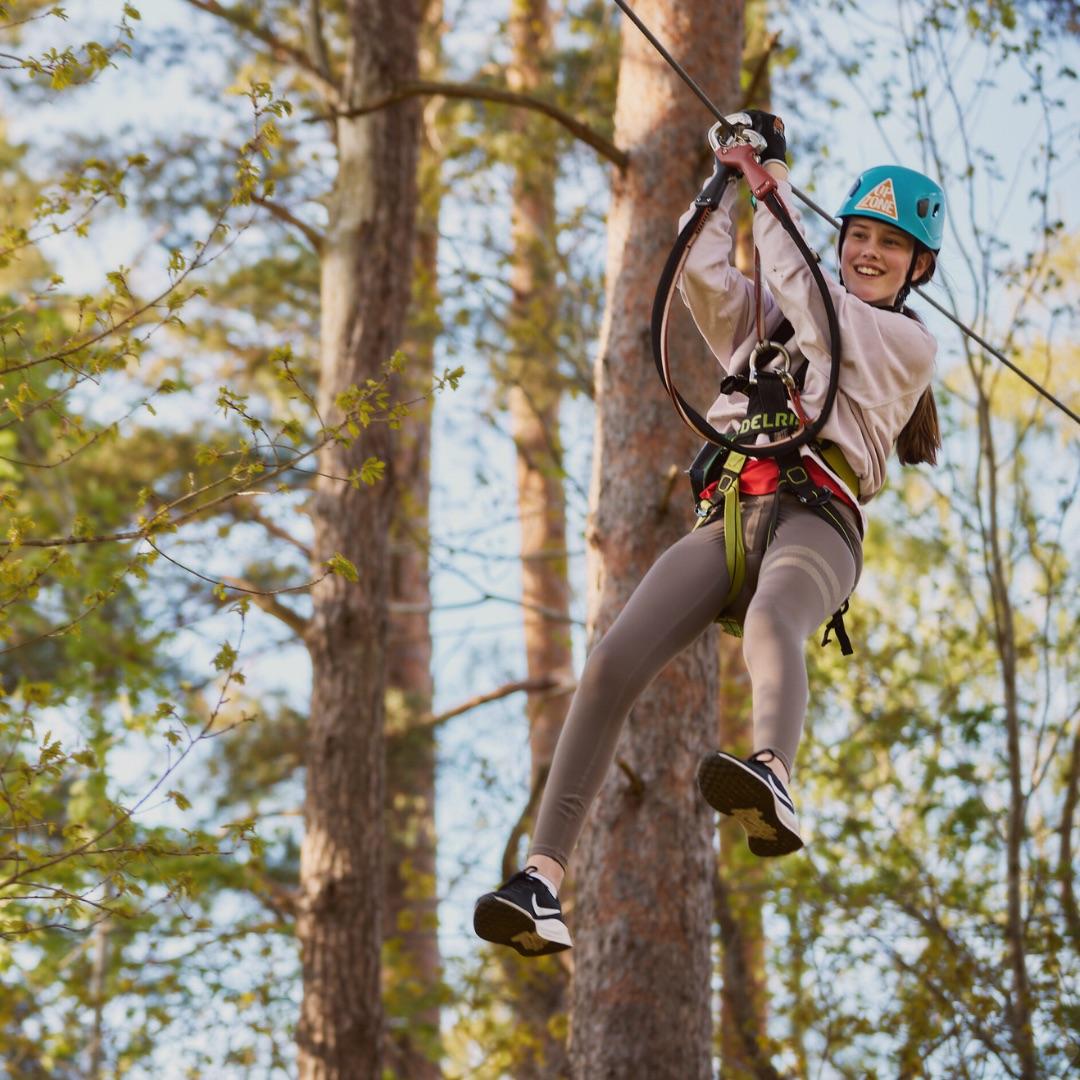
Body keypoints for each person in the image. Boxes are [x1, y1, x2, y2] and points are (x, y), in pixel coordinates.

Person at [473, 111, 946, 957]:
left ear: (919, 268)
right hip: (729, 510)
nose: (867, 253)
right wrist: (724, 185)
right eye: (860, 236)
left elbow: (814, 303)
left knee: (773, 621)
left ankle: (774, 774)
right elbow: (700, 279)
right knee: (613, 662)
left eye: (890, 246)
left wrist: (771, 186)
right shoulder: (775, 309)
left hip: (816, 520)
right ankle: (541, 878)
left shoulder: (906, 341)